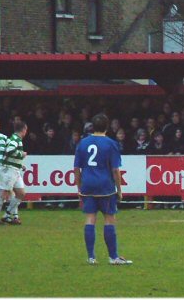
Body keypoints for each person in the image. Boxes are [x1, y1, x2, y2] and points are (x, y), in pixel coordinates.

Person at [74, 113, 132, 265]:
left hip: (88, 185)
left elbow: (76, 168)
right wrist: (119, 189)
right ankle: (113, 257)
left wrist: (79, 188)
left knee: (90, 218)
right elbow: (115, 170)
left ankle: (91, 257)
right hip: (105, 186)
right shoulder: (111, 144)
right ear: (107, 127)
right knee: (109, 218)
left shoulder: (83, 143)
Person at [1, 121, 29, 225]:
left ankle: (7, 215)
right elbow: (9, 150)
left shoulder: (17, 139)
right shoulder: (15, 139)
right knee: (5, 194)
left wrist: (20, 164)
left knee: (21, 194)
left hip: (15, 169)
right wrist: (21, 154)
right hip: (10, 170)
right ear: (23, 130)